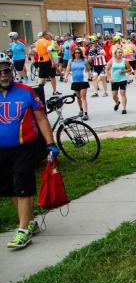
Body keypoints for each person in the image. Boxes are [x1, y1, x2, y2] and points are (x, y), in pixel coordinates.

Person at [1, 53, 58, 249]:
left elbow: (41, 118)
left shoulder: (26, 92)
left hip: (25, 147)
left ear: (12, 71)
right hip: (2, 151)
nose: (3, 75)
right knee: (11, 189)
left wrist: (51, 143)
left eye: (6, 70)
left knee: (23, 183)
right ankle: (30, 221)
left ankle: (23, 229)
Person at [68, 47, 90, 120]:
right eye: (76, 53)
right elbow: (68, 69)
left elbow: (88, 69)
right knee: (78, 97)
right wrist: (65, 76)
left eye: (78, 53)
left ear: (80, 54)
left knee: (83, 97)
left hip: (83, 81)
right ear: (74, 53)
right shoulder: (71, 61)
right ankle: (81, 109)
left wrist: (89, 73)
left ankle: (85, 113)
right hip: (75, 81)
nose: (77, 54)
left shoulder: (84, 61)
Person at [107, 46, 130, 113]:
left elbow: (129, 69)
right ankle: (117, 102)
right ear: (115, 53)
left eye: (121, 52)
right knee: (114, 95)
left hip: (123, 79)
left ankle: (124, 109)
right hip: (114, 80)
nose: (120, 53)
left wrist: (124, 71)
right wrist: (109, 78)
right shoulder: (112, 60)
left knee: (123, 93)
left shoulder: (124, 60)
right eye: (119, 52)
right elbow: (106, 69)